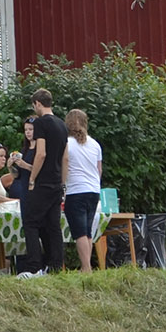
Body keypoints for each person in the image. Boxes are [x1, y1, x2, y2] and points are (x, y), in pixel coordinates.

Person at [20, 89, 68, 276]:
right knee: (53, 226)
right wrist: (62, 183)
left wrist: (32, 179)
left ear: (38, 104)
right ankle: (55, 266)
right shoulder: (62, 125)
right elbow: (65, 158)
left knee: (31, 223)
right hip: (56, 182)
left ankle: (33, 267)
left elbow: (41, 153)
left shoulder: (41, 123)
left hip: (42, 182)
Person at [62, 108, 104, 273]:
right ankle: (86, 266)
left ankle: (86, 267)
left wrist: (62, 184)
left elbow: (65, 163)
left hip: (75, 189)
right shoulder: (95, 144)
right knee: (87, 231)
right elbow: (98, 169)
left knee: (79, 231)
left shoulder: (67, 144)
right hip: (93, 190)